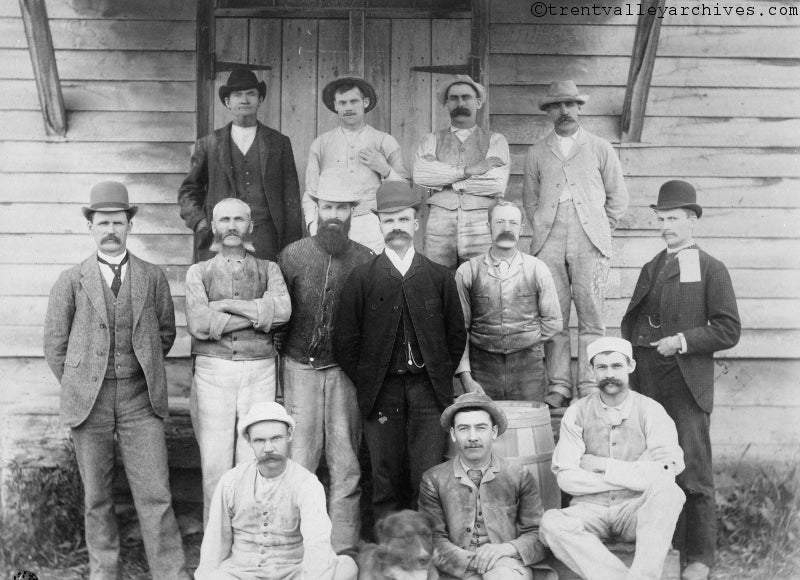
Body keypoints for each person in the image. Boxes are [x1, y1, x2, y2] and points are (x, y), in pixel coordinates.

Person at [43, 181, 190, 580]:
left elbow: (165, 333)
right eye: (102, 222)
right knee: (97, 497)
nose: (110, 229)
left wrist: (140, 370)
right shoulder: (71, 280)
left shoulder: (152, 277)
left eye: (118, 222)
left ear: (129, 225)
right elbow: (55, 344)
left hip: (140, 400)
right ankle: (103, 572)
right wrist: (82, 381)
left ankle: (171, 572)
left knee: (155, 494)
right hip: (89, 402)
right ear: (90, 226)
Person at [621, 181, 740, 580]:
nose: (665, 226)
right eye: (661, 219)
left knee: (693, 472)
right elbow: (634, 320)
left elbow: (728, 330)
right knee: (654, 467)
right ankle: (663, 551)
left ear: (692, 221)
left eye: (673, 219)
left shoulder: (710, 268)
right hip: (647, 379)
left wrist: (683, 340)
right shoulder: (652, 267)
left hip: (686, 382)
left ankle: (698, 558)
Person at [333, 181, 466, 521]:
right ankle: (389, 555)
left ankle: (427, 550)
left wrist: (437, 372)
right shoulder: (363, 278)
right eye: (389, 221)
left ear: (416, 223)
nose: (396, 228)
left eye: (403, 220)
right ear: (379, 224)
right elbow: (345, 340)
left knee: (428, 474)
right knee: (385, 474)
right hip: (382, 391)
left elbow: (455, 335)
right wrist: (369, 378)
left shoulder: (438, 276)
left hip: (428, 391)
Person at [278, 169, 375, 552]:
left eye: (342, 207)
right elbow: (280, 316)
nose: (334, 214)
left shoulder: (367, 260)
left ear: (352, 211)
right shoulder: (293, 254)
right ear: (316, 207)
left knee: (346, 462)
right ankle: (299, 547)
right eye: (328, 205)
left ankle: (343, 550)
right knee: (300, 459)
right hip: (299, 367)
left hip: (344, 374)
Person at [540, 337, 686, 580]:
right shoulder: (576, 412)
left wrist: (601, 466)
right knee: (551, 523)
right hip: (589, 511)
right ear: (591, 371)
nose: (610, 374)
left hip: (634, 511)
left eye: (617, 366)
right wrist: (636, 472)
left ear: (631, 366)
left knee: (669, 493)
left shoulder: (651, 410)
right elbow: (566, 479)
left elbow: (664, 472)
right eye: (602, 367)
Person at [184, 197, 291, 525]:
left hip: (259, 369)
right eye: (225, 220)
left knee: (254, 460)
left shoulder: (269, 268)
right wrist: (260, 312)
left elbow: (283, 311)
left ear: (251, 226)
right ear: (214, 226)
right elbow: (199, 324)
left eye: (239, 219)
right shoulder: (198, 272)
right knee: (214, 466)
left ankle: (250, 542)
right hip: (212, 371)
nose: (232, 226)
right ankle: (215, 546)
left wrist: (226, 305)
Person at [522, 80, 629, 408]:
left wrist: (600, 230)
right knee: (553, 318)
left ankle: (588, 384)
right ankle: (559, 386)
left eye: (570, 104)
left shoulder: (599, 147)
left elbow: (618, 197)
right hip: (549, 239)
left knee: (592, 316)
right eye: (557, 105)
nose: (565, 111)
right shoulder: (537, 152)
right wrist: (543, 227)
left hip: (590, 239)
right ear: (549, 111)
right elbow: (530, 200)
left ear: (579, 107)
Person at [195, 402, 358, 580]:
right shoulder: (231, 482)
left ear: (289, 435)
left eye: (276, 438)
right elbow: (215, 541)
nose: (269, 448)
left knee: (346, 567)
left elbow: (317, 543)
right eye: (259, 440)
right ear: (249, 441)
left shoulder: (307, 484)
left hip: (293, 572)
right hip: (241, 572)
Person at [418, 392, 549, 580]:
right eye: (463, 429)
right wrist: (478, 563)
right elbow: (433, 539)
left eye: (481, 428)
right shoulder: (434, 479)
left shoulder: (518, 475)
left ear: (494, 432)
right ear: (453, 434)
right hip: (455, 570)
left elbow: (537, 534)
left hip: (508, 566)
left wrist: (507, 549)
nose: (473, 437)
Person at [178, 68, 303, 262]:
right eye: (238, 95)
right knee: (219, 289)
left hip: (266, 239)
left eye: (251, 94)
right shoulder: (209, 144)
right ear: (228, 102)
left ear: (260, 100)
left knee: (265, 288)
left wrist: (292, 244)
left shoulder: (279, 143)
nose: (244, 100)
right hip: (220, 238)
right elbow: (188, 190)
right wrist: (200, 222)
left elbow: (291, 196)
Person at [455, 200, 562, 402]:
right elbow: (459, 331)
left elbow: (554, 322)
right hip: (483, 368)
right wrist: (466, 377)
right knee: (483, 425)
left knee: (528, 426)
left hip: (528, 369)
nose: (506, 229)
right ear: (488, 227)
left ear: (521, 229)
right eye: (499, 222)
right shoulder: (467, 271)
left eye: (513, 223)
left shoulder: (537, 269)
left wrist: (525, 340)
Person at [413, 74, 510, 269]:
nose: (460, 103)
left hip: (481, 220)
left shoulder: (496, 140)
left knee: (481, 276)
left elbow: (496, 183)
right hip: (439, 220)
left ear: (479, 102)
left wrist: (446, 180)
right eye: (454, 98)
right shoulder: (430, 140)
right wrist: (469, 171)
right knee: (437, 278)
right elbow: (421, 175)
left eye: (466, 97)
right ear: (446, 105)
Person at [304, 75, 410, 252]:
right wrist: (313, 226)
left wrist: (384, 168)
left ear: (365, 102)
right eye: (343, 103)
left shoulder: (384, 140)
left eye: (354, 101)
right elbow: (310, 192)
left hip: (372, 223)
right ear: (336, 105)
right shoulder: (321, 143)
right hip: (333, 223)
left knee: (371, 274)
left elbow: (406, 189)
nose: (348, 108)